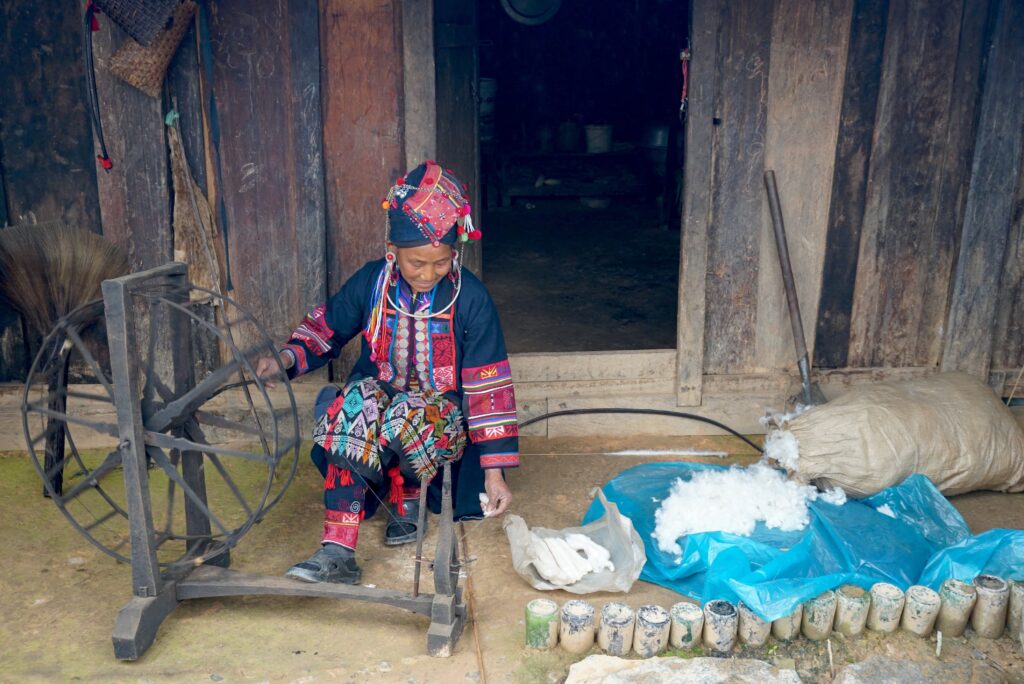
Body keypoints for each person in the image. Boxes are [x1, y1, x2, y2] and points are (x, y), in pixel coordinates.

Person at [255, 161, 519, 584]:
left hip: (440, 418)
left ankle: (409, 502)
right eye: (416, 262)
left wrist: (495, 472)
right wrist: (287, 360)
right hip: (381, 403)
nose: (428, 274)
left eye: (441, 263)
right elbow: (329, 325)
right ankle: (337, 550)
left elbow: (490, 388)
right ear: (393, 251)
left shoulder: (471, 299)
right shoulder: (373, 283)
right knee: (351, 405)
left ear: (456, 253)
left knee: (406, 416)